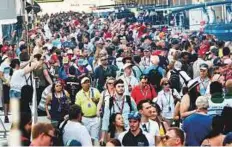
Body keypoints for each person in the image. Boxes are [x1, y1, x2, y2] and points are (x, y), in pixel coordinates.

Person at [75, 77, 101, 142]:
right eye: (85, 82)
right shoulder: (79, 94)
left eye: (88, 82)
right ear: (81, 84)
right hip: (85, 119)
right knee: (86, 138)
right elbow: (77, 107)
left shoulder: (95, 90)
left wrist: (96, 100)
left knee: (94, 138)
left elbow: (101, 101)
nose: (87, 83)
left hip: (95, 118)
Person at [0, 48, 14, 123]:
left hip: (13, 84)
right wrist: (6, 81)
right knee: (6, 100)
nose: (11, 57)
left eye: (12, 56)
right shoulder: (3, 64)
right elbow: (1, 75)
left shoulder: (13, 64)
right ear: (8, 56)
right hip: (6, 84)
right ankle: (6, 116)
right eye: (10, 56)